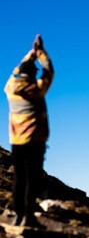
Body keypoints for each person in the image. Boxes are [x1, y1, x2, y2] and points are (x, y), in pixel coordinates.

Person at [4, 35, 54, 227]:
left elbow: (19, 68)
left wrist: (30, 55)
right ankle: (29, 216)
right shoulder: (36, 89)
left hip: (16, 141)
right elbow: (49, 71)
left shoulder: (10, 89)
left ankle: (18, 214)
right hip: (34, 140)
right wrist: (40, 53)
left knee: (19, 178)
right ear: (33, 75)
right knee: (32, 178)